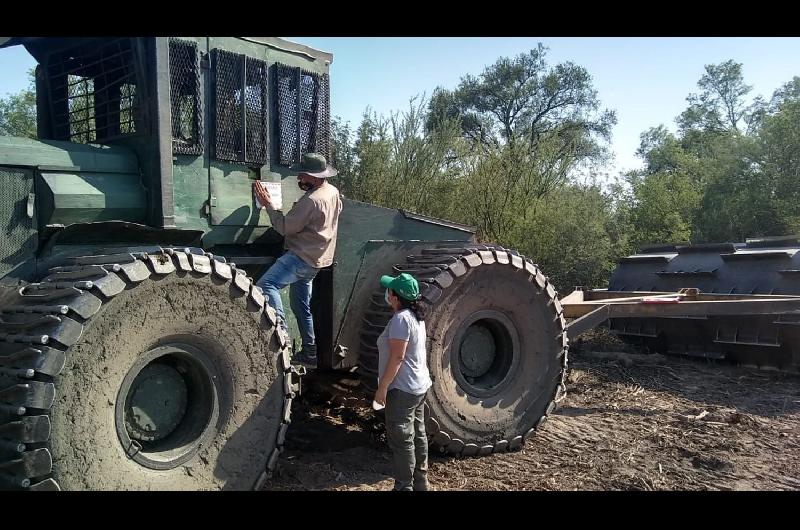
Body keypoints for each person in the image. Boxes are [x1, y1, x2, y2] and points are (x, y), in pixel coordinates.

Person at [252, 152, 342, 365]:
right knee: (301, 306)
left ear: (314, 176)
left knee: (267, 285)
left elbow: (284, 227)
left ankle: (281, 337)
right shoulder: (332, 191)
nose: (299, 178)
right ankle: (310, 353)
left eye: (303, 175)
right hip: (318, 260)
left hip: (301, 258)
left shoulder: (311, 200)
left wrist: (268, 205)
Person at [374, 272, 432, 491]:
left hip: (403, 389)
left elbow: (397, 357)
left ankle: (403, 487)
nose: (387, 294)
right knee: (418, 434)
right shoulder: (417, 316)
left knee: (402, 439)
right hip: (419, 386)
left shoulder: (401, 320)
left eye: (390, 291)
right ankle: (420, 484)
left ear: (396, 297)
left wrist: (383, 388)